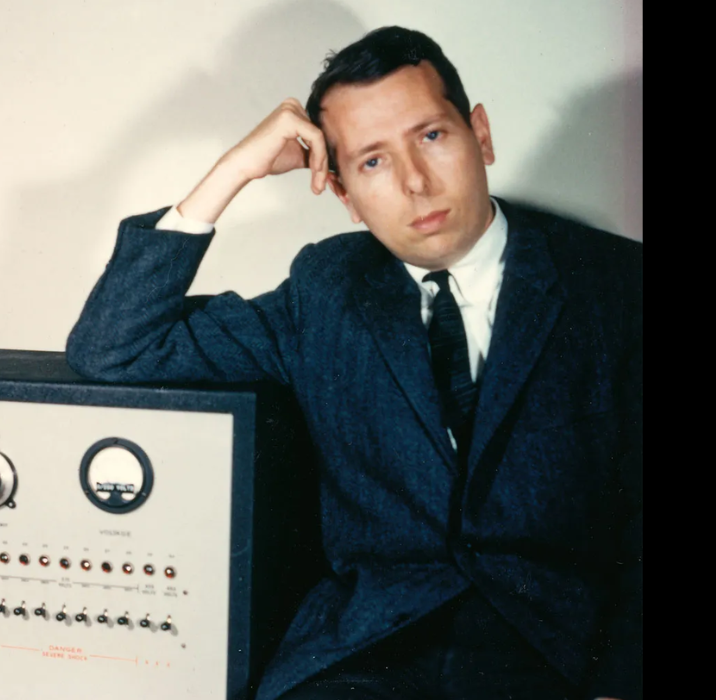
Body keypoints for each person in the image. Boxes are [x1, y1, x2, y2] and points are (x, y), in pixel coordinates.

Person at [65, 26, 641, 700]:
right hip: (367, 655)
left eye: (432, 136)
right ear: (341, 193)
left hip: (552, 657)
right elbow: (115, 347)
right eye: (372, 162)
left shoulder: (614, 283)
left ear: (480, 134)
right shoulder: (324, 290)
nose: (416, 183)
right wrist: (233, 171)